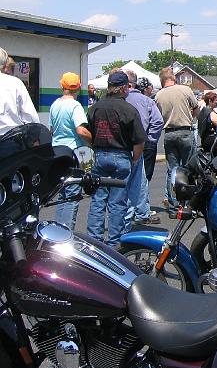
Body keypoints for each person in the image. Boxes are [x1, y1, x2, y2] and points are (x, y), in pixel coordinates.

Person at [86, 71, 146, 247]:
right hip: (121, 156)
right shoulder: (129, 110)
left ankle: (94, 240)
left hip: (99, 155)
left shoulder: (95, 108)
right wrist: (135, 159)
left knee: (98, 200)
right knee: (117, 202)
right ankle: (114, 242)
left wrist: (94, 146)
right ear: (123, 88)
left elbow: (85, 131)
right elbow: (139, 140)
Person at [49, 72, 93, 229]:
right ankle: (67, 231)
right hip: (74, 152)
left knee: (62, 193)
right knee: (73, 194)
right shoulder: (75, 106)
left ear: (62, 85)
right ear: (78, 88)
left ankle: (58, 229)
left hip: (57, 151)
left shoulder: (55, 105)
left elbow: (51, 130)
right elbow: (81, 130)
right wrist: (92, 141)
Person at [154, 66, 199, 214]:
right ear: (173, 78)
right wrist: (189, 118)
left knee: (172, 170)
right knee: (188, 168)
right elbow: (196, 108)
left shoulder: (158, 95)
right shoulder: (185, 90)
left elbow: (158, 117)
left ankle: (174, 206)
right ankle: (187, 204)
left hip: (168, 133)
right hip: (185, 131)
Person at [124, 69, 163, 226]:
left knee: (124, 181)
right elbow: (158, 121)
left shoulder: (119, 99)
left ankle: (127, 214)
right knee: (140, 180)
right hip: (141, 143)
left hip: (121, 146)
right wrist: (150, 139)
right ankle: (140, 212)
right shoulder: (146, 100)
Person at [0, 47, 39, 135]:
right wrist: (34, 135)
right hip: (10, 137)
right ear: (4, 65)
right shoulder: (15, 83)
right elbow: (30, 115)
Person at [136, 77, 159, 183]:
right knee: (146, 175)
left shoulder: (127, 99)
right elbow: (158, 121)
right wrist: (151, 139)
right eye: (151, 86)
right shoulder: (149, 101)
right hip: (147, 141)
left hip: (132, 141)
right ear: (145, 88)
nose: (152, 89)